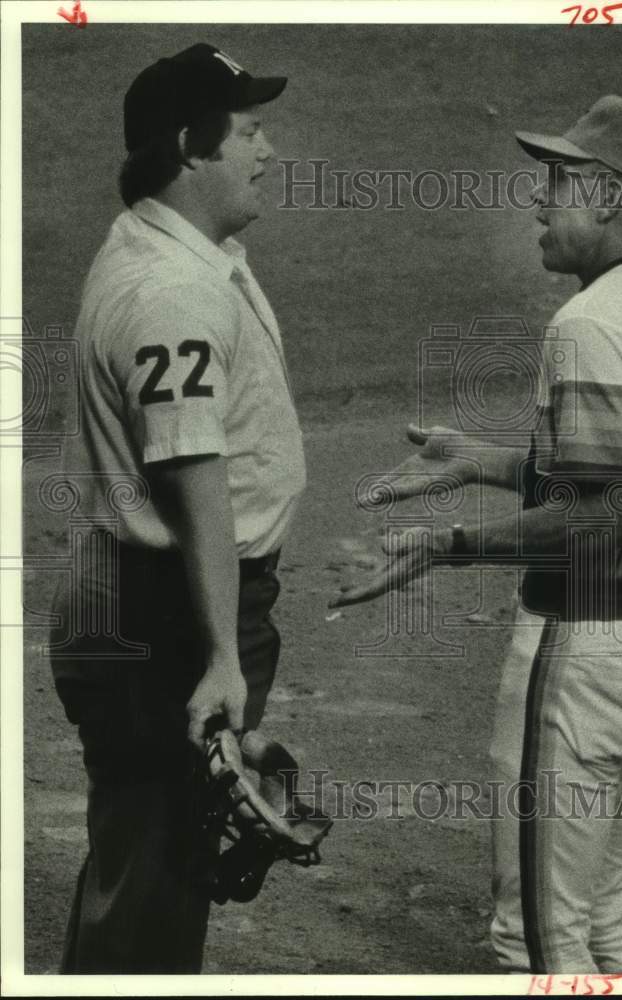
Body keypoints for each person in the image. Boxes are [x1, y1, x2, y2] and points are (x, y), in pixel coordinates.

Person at [332, 96, 622, 974]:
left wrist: (448, 546)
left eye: (559, 182)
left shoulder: (587, 325)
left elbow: (592, 520)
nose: (539, 202)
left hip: (586, 655)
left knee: (540, 943)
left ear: (613, 199)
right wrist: (485, 460)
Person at [49, 43, 306, 973]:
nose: (269, 150)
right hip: (168, 610)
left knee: (157, 861)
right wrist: (224, 659)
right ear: (191, 148)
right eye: (249, 132)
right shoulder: (172, 291)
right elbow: (193, 474)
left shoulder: (184, 251)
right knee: (155, 871)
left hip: (155, 593)